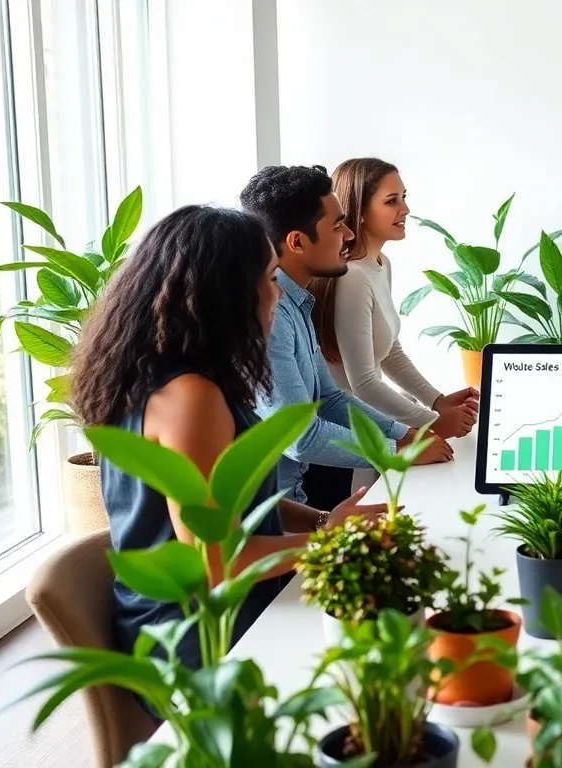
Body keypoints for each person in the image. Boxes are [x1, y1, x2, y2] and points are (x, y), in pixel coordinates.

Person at [71, 205, 385, 709]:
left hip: (214, 613)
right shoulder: (190, 397)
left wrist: (328, 522)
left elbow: (237, 499)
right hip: (197, 643)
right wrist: (331, 543)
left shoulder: (173, 374)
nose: (277, 292)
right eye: (269, 277)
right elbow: (215, 560)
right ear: (226, 296)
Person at [240, 164, 453, 511]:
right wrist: (395, 451)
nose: (350, 235)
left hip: (298, 504)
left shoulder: (297, 303)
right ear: (297, 241)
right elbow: (301, 437)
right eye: (338, 225)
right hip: (273, 526)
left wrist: (403, 434)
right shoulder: (272, 317)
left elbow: (330, 397)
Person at [307, 157, 478, 437]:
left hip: (376, 423)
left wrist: (437, 400)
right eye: (392, 201)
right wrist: (430, 423)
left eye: (403, 198)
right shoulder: (353, 277)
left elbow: (391, 353)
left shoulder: (380, 264)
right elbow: (363, 383)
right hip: (354, 434)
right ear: (360, 211)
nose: (405, 209)